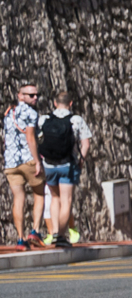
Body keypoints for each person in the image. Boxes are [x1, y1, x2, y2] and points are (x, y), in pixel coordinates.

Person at [36, 89, 89, 249]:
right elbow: (85, 144)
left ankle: (53, 232)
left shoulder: (44, 119)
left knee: (54, 198)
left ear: (54, 103)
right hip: (67, 165)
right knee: (67, 200)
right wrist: (81, 160)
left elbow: (38, 139)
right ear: (71, 103)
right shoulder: (76, 120)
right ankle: (61, 236)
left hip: (49, 165)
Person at [3, 81, 40, 248]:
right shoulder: (31, 113)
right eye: (31, 95)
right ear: (20, 95)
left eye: (36, 95)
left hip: (10, 163)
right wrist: (37, 160)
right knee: (39, 193)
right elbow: (30, 138)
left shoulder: (8, 112)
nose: (35, 98)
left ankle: (20, 238)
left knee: (18, 198)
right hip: (28, 160)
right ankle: (35, 231)